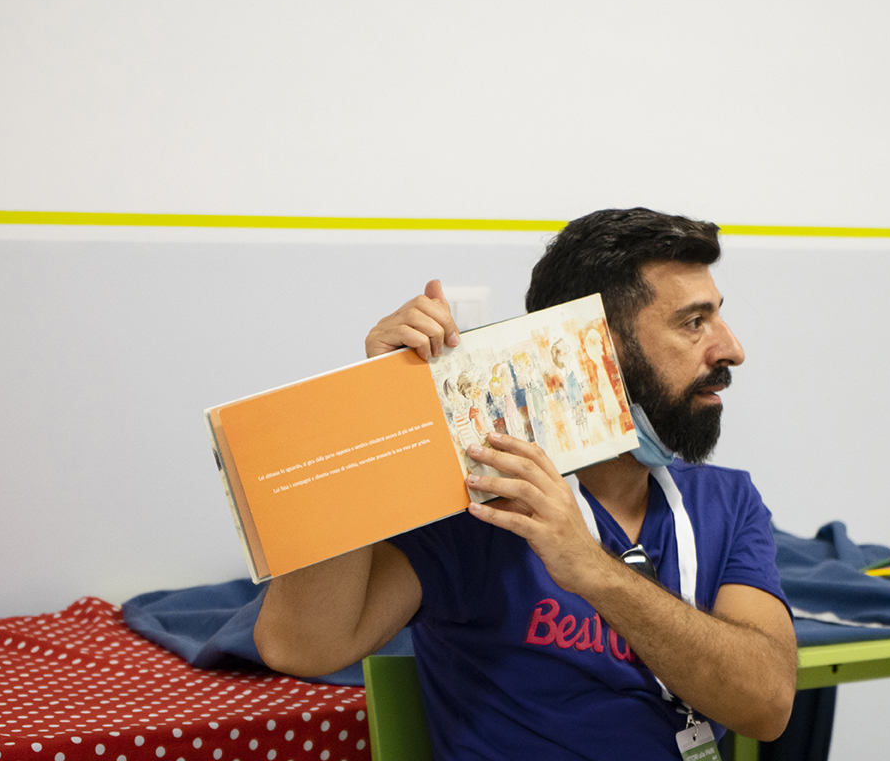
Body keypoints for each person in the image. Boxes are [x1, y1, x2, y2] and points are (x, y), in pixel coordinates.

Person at [254, 208, 797, 759]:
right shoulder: (481, 502)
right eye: (693, 322)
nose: (732, 349)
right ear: (595, 345)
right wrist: (372, 407)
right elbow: (298, 646)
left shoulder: (728, 501)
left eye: (718, 318)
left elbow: (767, 705)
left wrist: (593, 570)